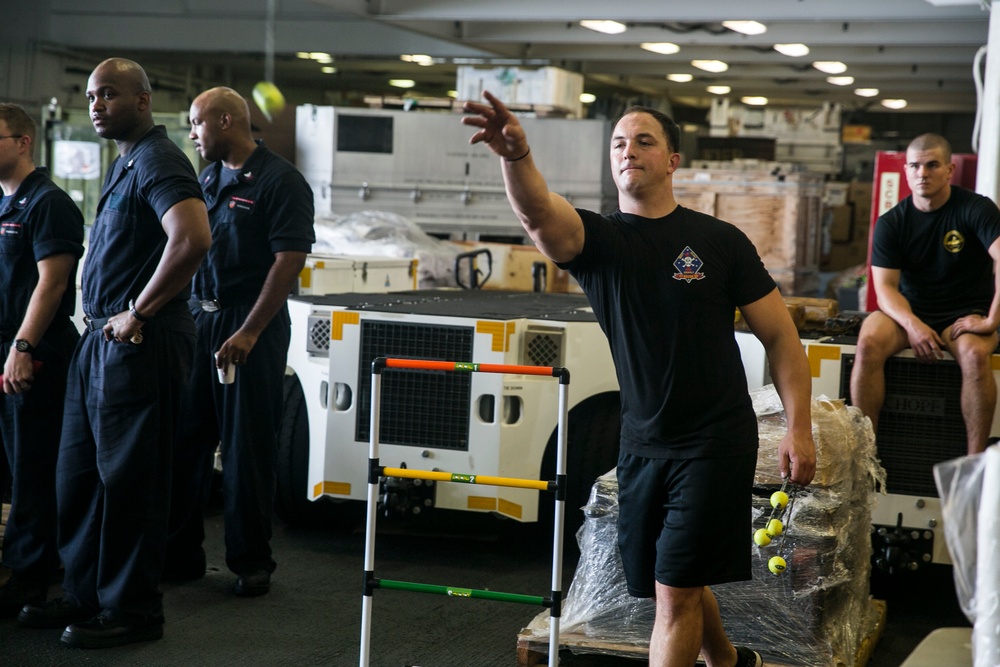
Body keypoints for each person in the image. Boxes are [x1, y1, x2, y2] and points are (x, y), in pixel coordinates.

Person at [462, 92, 816, 667]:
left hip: (714, 441)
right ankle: (727, 661)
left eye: (645, 140)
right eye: (619, 143)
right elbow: (537, 215)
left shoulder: (719, 242)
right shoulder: (599, 244)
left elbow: (780, 337)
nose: (630, 151)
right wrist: (516, 155)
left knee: (673, 594)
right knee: (672, 577)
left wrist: (798, 427)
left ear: (673, 160)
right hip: (642, 444)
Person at [17, 58, 211, 648]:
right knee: (78, 478)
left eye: (108, 95)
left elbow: (194, 237)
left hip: (139, 341)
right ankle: (84, 597)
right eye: (93, 95)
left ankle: (132, 610)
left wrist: (140, 311)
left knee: (129, 481)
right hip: (101, 340)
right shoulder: (125, 162)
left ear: (143, 100)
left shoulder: (157, 158)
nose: (96, 104)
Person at [165, 87, 314, 596]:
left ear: (226, 120)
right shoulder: (207, 178)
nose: (191, 133)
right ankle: (179, 553)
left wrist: (249, 331)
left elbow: (287, 263)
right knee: (186, 441)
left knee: (247, 447)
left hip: (250, 326)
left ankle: (251, 562)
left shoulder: (281, 181)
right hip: (200, 321)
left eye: (196, 123)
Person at [850, 134, 1000, 456]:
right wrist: (913, 324)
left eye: (932, 165)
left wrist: (992, 319)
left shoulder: (976, 209)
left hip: (963, 314)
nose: (923, 173)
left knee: (975, 355)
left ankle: (974, 466)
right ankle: (864, 457)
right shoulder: (892, 223)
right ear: (906, 171)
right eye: (915, 166)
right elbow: (885, 288)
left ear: (949, 169)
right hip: (910, 311)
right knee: (868, 342)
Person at [0, 103, 84, 617]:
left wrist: (23, 347)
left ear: (23, 141)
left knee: (32, 468)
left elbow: (51, 284)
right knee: (12, 465)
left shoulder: (48, 204)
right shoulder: (5, 203)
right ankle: (27, 561)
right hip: (6, 350)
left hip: (34, 353)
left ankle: (30, 580)